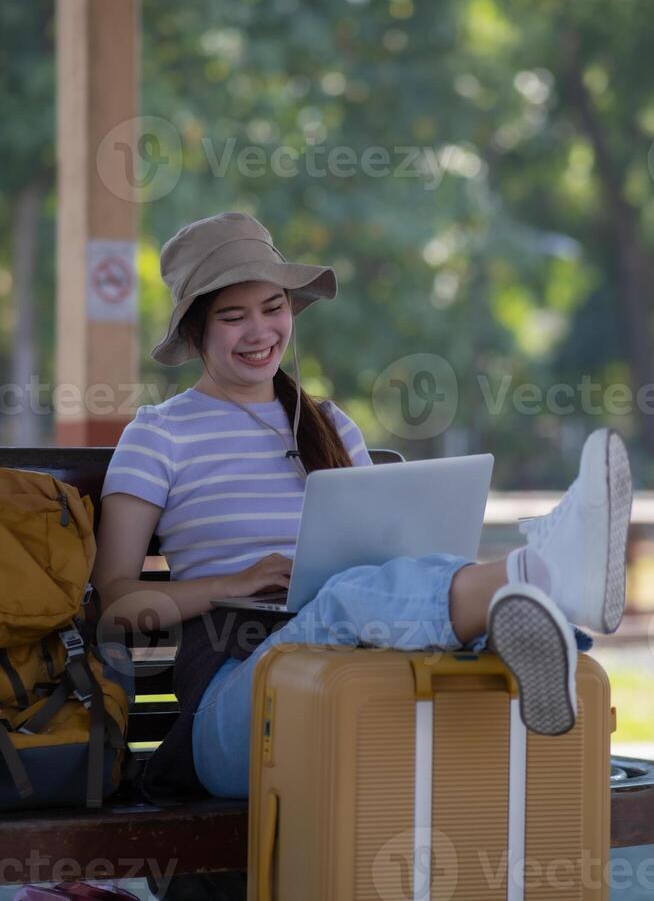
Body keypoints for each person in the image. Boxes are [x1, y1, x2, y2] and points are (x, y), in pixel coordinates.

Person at [91, 211, 633, 801]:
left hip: (356, 683)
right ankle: (544, 575)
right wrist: (237, 581)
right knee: (346, 599)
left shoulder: (328, 426)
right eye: (232, 316)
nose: (260, 331)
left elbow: (390, 561)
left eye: (273, 308)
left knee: (363, 589)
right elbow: (116, 606)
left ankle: (524, 616)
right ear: (196, 331)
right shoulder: (159, 436)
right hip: (234, 709)